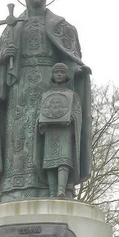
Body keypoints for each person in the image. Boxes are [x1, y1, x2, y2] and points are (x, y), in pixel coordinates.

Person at [0, 0, 92, 202]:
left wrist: (76, 73)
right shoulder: (12, 27)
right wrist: (2, 57)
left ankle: (55, 189)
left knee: (53, 139)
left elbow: (71, 60)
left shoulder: (62, 27)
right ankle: (16, 189)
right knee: (18, 138)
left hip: (51, 92)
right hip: (19, 90)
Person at [36, 63, 82, 198]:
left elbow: (77, 113)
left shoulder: (71, 95)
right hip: (50, 132)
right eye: (56, 72)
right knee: (50, 162)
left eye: (62, 72)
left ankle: (61, 190)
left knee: (63, 160)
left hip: (65, 132)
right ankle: (51, 192)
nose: (59, 74)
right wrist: (41, 122)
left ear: (66, 75)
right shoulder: (46, 95)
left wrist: (71, 119)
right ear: (52, 75)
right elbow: (41, 112)